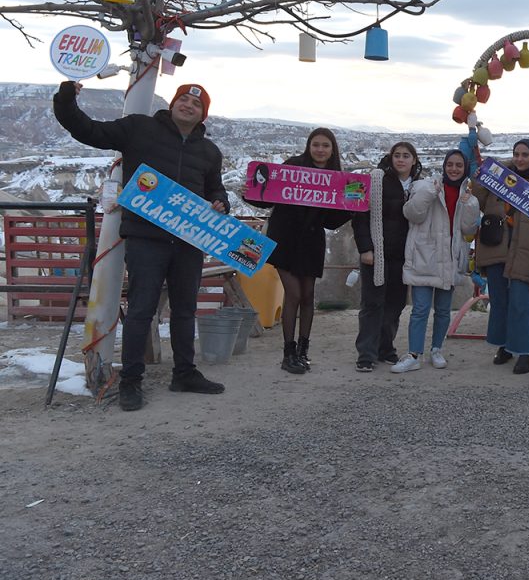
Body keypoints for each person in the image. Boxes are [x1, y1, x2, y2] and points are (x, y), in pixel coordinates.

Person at [52, 81, 228, 411]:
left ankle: (184, 373)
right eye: (183, 99)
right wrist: (65, 100)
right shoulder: (139, 128)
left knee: (185, 310)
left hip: (189, 241)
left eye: (196, 103)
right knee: (141, 310)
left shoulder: (209, 152)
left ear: (203, 114)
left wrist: (221, 202)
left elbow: (215, 189)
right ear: (172, 103)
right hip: (146, 237)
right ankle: (131, 379)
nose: (188, 105)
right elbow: (88, 130)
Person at [246, 128, 354, 374]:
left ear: (332, 149)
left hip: (311, 242)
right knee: (293, 294)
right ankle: (288, 352)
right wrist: (248, 194)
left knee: (307, 296)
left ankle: (303, 351)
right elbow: (269, 196)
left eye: (325, 145)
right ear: (309, 146)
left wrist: (351, 207)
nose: (320, 149)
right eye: (316, 144)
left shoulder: (337, 177)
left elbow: (331, 221)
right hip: (285, 239)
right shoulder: (293, 166)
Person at [473, 138, 529, 374]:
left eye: (525, 155)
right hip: (497, 249)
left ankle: (525, 352)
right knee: (500, 302)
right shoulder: (499, 181)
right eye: (516, 154)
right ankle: (504, 346)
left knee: (521, 303)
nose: (520, 159)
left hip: (525, 253)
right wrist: (499, 168)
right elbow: (479, 196)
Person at [391, 150, 480, 373]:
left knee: (442, 310)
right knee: (420, 309)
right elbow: (412, 214)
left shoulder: (469, 196)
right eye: (450, 164)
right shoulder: (426, 186)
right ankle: (414, 354)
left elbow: (468, 230)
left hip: (449, 258)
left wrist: (470, 206)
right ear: (444, 166)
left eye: (459, 165)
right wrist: (429, 193)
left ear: (465, 168)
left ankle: (437, 349)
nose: (454, 169)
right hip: (425, 257)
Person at [352, 141, 420, 371]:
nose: (401, 159)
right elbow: (360, 216)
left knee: (395, 304)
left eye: (406, 155)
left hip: (403, 256)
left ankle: (385, 348)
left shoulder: (419, 185)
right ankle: (366, 354)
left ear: (414, 160)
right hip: (377, 254)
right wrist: (365, 248)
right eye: (397, 155)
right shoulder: (376, 180)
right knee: (372, 304)